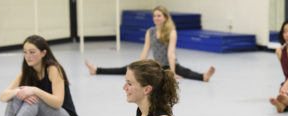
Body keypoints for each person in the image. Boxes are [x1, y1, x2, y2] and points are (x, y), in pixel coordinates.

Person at [0, 35, 78, 116]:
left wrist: (35, 90)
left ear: (43, 53)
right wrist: (18, 92)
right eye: (25, 52)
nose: (28, 56)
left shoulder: (53, 69)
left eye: (32, 52)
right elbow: (3, 96)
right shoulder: (26, 73)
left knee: (34, 98)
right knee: (16, 94)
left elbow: (58, 102)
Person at [85, 5, 215, 82]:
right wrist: (138, 65)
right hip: (158, 65)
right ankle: (96, 70)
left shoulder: (171, 31)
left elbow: (171, 54)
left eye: (159, 15)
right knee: (127, 68)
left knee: (185, 71)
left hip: (170, 64)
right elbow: (145, 50)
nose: (156, 18)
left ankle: (204, 76)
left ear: (165, 17)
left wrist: (173, 72)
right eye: (154, 16)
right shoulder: (150, 31)